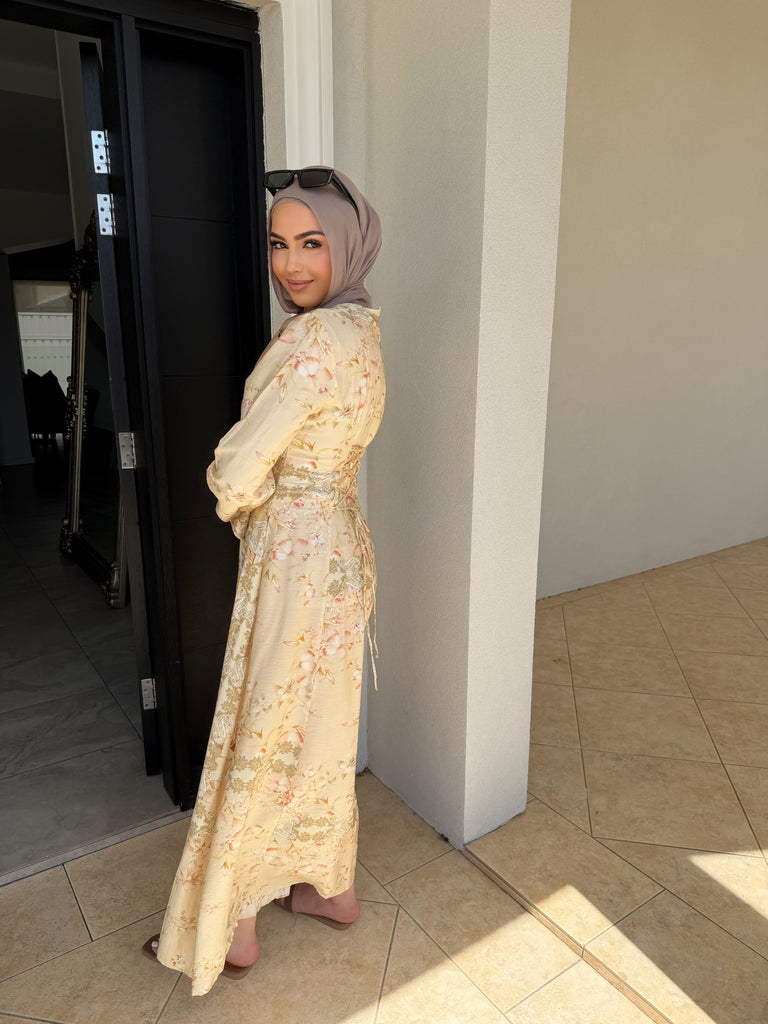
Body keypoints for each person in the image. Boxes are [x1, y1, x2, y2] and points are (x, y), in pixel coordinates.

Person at [143, 167, 384, 996]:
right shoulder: (362, 328)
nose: (291, 264)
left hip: (296, 556)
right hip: (341, 550)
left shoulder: (313, 341)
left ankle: (234, 926)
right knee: (320, 722)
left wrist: (241, 502)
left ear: (347, 244)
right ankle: (330, 889)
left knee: (264, 720)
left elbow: (240, 466)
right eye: (279, 244)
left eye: (311, 243)